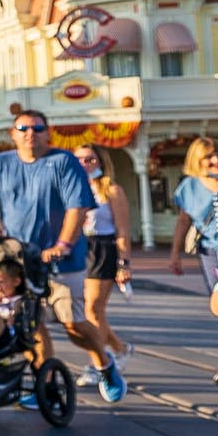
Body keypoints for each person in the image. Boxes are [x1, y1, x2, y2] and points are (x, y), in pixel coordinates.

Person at [0, 110, 124, 404]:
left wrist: (62, 243)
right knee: (29, 324)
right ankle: (44, 385)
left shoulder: (63, 162)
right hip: (18, 259)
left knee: (73, 323)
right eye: (23, 128)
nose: (30, 133)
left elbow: (77, 208)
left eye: (37, 128)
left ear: (48, 133)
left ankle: (104, 363)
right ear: (13, 133)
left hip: (62, 260)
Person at [170, 138, 218, 392]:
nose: (217, 161)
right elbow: (183, 221)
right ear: (197, 161)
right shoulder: (189, 188)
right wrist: (175, 253)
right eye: (209, 158)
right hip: (212, 255)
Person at [71, 145, 134, 376]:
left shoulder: (111, 191)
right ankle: (119, 348)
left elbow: (123, 230)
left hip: (102, 248)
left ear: (100, 162)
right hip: (78, 249)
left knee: (93, 309)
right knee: (85, 311)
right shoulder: (72, 189)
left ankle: (98, 363)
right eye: (79, 160)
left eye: (90, 160)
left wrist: (123, 263)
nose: (84, 164)